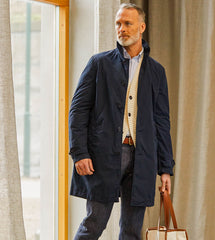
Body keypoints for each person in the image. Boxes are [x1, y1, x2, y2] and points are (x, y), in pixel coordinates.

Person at [69, 3, 175, 240]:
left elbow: (161, 122)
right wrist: (79, 152)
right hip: (104, 155)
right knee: (93, 224)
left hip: (143, 158)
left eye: (128, 23)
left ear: (142, 27)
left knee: (131, 231)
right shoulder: (99, 64)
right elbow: (78, 111)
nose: (122, 29)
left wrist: (165, 168)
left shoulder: (157, 72)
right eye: (118, 23)